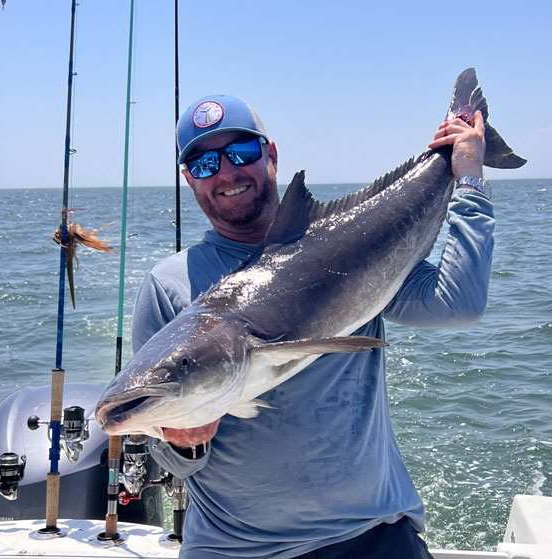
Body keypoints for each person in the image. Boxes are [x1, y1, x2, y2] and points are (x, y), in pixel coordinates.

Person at [131, 94, 492, 559]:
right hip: (233, 550)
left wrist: (468, 179)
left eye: (241, 153)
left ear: (272, 156)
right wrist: (182, 444)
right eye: (203, 164)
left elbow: (457, 304)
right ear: (189, 180)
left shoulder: (346, 251)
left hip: (372, 536)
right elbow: (168, 454)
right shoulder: (168, 286)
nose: (226, 173)